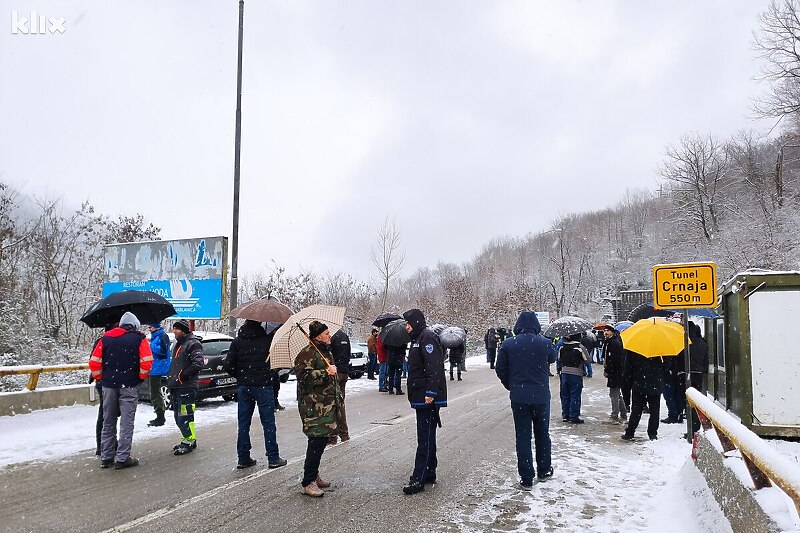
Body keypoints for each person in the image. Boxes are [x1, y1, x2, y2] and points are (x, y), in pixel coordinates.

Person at [495, 311, 557, 490]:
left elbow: (500, 369)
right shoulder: (545, 343)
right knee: (542, 434)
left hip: (519, 397)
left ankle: (526, 476)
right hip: (541, 397)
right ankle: (544, 469)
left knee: (523, 436)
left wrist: (511, 385)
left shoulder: (508, 344)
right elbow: (552, 358)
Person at [88, 311, 152, 469]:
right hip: (129, 385)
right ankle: (123, 458)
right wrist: (140, 378)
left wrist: (101, 378)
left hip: (108, 385)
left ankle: (106, 457)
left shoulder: (105, 338)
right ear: (134, 325)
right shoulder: (139, 339)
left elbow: (94, 362)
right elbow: (147, 361)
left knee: (108, 420)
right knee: (126, 422)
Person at [222, 319, 287, 469]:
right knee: (268, 423)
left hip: (244, 387)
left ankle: (243, 457)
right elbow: (277, 363)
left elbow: (228, 365)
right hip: (264, 386)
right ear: (259, 324)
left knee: (243, 423)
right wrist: (270, 374)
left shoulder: (237, 342)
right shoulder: (268, 340)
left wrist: (241, 376)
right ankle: (273, 457)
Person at [402, 308, 447, 495]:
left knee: (424, 438)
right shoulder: (417, 339)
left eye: (408, 323)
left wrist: (430, 392)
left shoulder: (426, 337)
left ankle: (418, 479)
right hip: (420, 394)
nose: (406, 327)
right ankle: (429, 471)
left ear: (417, 322)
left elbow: (434, 367)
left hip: (426, 396)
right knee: (428, 436)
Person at [295, 320, 340, 497]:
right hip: (314, 407)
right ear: (318, 336)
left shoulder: (324, 352)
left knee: (321, 440)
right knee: (316, 441)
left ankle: (314, 474)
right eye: (326, 333)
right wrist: (324, 373)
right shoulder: (307, 354)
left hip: (326, 405)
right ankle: (308, 481)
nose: (329, 335)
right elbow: (303, 378)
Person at [168, 319, 204, 455]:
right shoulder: (179, 344)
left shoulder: (193, 344)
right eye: (174, 328)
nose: (174, 331)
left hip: (186, 386)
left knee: (185, 415)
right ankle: (188, 439)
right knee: (179, 416)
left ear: (183, 330)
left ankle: (188, 441)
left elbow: (198, 364)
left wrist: (182, 376)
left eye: (177, 329)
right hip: (177, 386)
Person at [622, 350, 665, 441]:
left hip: (639, 383)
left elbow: (628, 368)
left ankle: (630, 432)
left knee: (636, 410)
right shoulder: (661, 349)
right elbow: (666, 366)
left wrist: (628, 383)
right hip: (655, 384)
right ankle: (652, 433)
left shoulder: (635, 348)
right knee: (654, 411)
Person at [558, 333, 588, 424]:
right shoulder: (580, 347)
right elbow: (587, 359)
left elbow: (559, 358)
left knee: (565, 395)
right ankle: (573, 416)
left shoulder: (562, 347)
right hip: (576, 373)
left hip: (564, 373)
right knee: (575, 395)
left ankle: (565, 415)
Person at [146, 322, 171, 427]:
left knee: (155, 393)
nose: (148, 328)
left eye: (150, 327)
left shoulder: (162, 336)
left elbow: (163, 351)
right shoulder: (157, 336)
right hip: (155, 367)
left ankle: (160, 417)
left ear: (156, 327)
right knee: (155, 393)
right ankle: (159, 415)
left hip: (159, 368)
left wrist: (151, 346)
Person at [329, 329, 352, 444]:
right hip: (344, 371)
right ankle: (344, 434)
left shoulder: (331, 338)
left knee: (333, 404)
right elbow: (348, 354)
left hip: (335, 372)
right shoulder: (344, 336)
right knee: (341, 403)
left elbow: (329, 356)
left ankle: (333, 436)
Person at [602, 325, 628, 424]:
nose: (605, 332)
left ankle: (615, 415)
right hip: (615, 372)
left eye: (607, 330)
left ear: (612, 332)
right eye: (604, 331)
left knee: (614, 394)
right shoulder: (610, 341)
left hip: (615, 372)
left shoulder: (614, 343)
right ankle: (623, 413)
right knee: (617, 394)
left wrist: (608, 370)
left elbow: (614, 359)